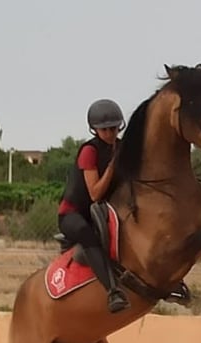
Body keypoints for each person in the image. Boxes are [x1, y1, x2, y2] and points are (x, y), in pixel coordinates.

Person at [57, 98, 130, 313]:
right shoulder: (89, 151)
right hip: (73, 215)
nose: (110, 133)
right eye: (104, 129)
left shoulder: (121, 146)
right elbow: (96, 193)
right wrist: (113, 166)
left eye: (114, 128)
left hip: (99, 211)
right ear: (95, 130)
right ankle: (113, 291)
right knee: (86, 233)